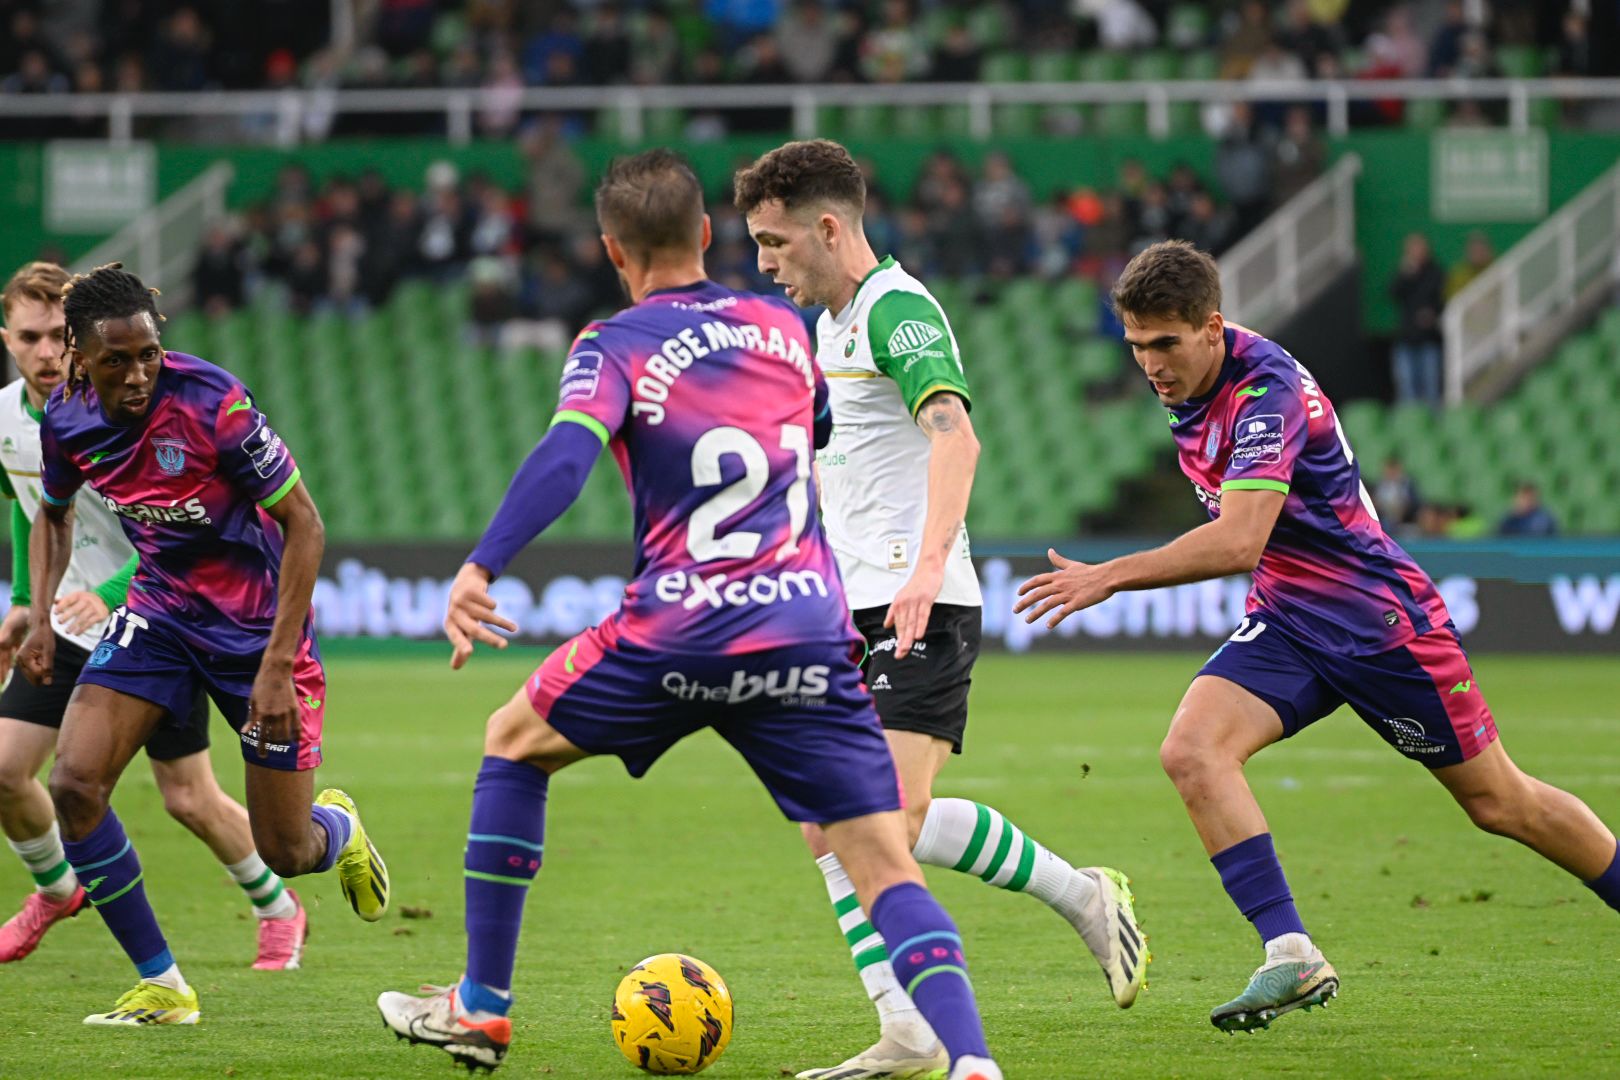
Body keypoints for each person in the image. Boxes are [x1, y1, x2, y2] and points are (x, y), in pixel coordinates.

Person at [375, 149, 1003, 1080]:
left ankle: (483, 1008)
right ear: (708, 235)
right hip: (802, 630)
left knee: (513, 743)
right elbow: (819, 432)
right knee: (882, 861)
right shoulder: (786, 332)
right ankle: (974, 1064)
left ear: (611, 250)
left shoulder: (614, 342)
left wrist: (483, 563)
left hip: (678, 626)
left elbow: (563, 456)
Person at [1014, 240, 1620, 1033]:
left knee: (1502, 804)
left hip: (1378, 624)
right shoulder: (1186, 383)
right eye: (1136, 347)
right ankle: (1290, 953)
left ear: (1212, 327)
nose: (1151, 365)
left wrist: (1110, 574)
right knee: (1192, 751)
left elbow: (1238, 541)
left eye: (1166, 344)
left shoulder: (1265, 393)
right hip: (1291, 619)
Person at [734, 139, 1144, 1080]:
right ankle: (909, 1026)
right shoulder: (826, 327)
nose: (763, 262)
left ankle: (1079, 899)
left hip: (921, 606)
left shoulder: (897, 311)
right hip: (846, 611)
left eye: (773, 241)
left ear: (829, 228)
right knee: (827, 824)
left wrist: (923, 571)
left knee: (885, 822)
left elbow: (956, 443)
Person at [17, 263, 389, 1026]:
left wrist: (279, 665)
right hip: (159, 617)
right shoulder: (66, 422)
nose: (138, 374)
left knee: (286, 850)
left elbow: (305, 524)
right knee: (74, 787)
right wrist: (44, 615)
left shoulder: (214, 403)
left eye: (148, 353)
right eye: (116, 360)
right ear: (80, 357)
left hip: (256, 635)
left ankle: (339, 827)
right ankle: (165, 983)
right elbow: (51, 513)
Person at [0, 262, 309, 971]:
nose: (45, 352)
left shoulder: (188, 403)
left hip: (174, 610)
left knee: (191, 798)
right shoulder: (28, 421)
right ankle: (71, 901)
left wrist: (104, 597)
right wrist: (30, 607)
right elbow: (33, 514)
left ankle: (277, 901)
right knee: (35, 776)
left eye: (55, 336)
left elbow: (203, 533)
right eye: (31, 338)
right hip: (102, 622)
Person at [1390, 233, 1445, 405]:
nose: (1416, 252)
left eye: (1419, 248)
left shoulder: (1436, 272)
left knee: (1431, 388)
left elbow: (1439, 299)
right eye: (1412, 249)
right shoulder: (1405, 272)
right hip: (1406, 339)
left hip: (1429, 339)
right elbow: (1393, 292)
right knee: (1407, 388)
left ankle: (1432, 428)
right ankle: (1408, 427)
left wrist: (1431, 314)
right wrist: (1407, 273)